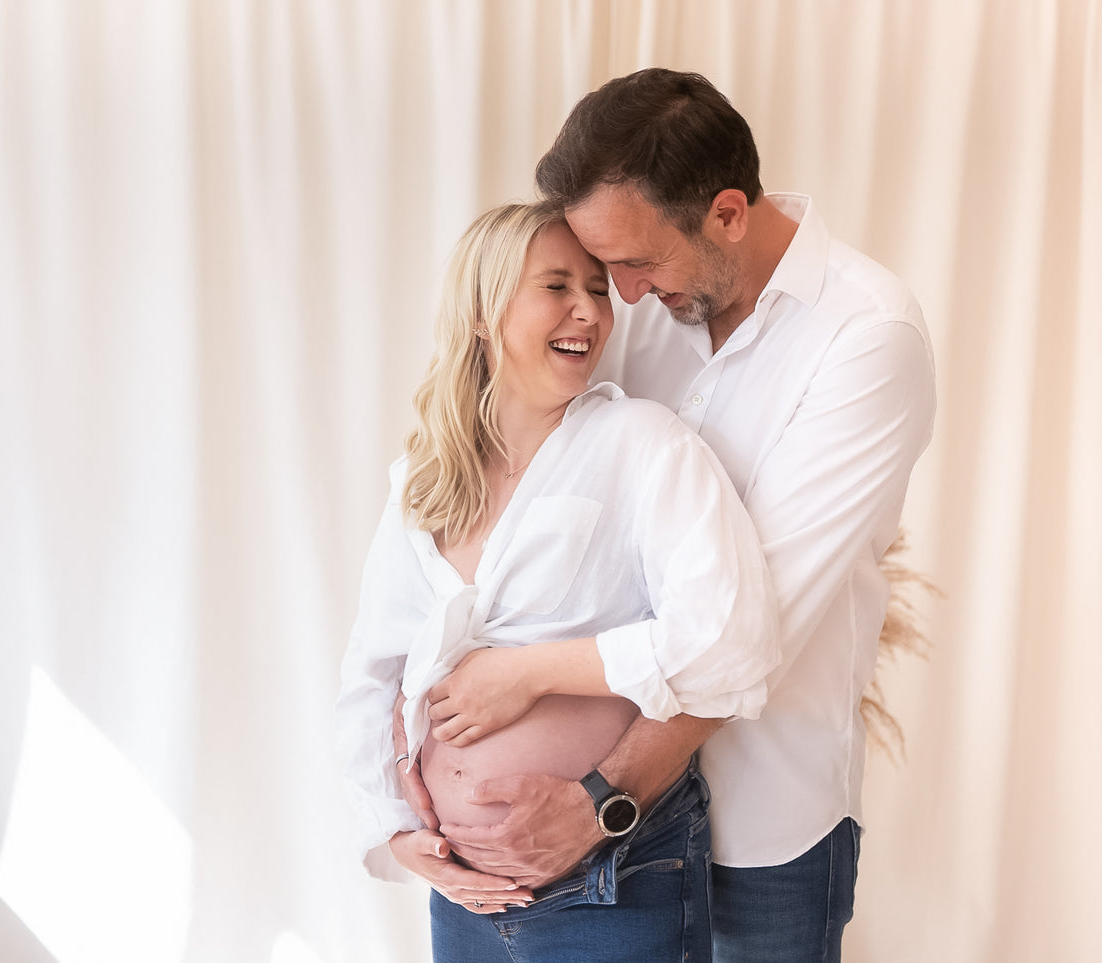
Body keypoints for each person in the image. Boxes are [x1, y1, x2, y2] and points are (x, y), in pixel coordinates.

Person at [422, 68, 937, 961]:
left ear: (728, 213)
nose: (614, 296)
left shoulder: (865, 336)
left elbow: (753, 625)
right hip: (601, 838)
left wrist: (596, 796)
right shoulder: (645, 301)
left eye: (633, 263)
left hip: (759, 823)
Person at [335, 201, 778, 962]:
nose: (589, 311)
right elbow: (371, 672)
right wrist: (395, 830)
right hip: (464, 894)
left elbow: (733, 637)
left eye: (598, 288)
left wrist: (528, 675)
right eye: (557, 286)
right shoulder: (425, 481)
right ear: (482, 312)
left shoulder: (641, 443)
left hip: (609, 881)